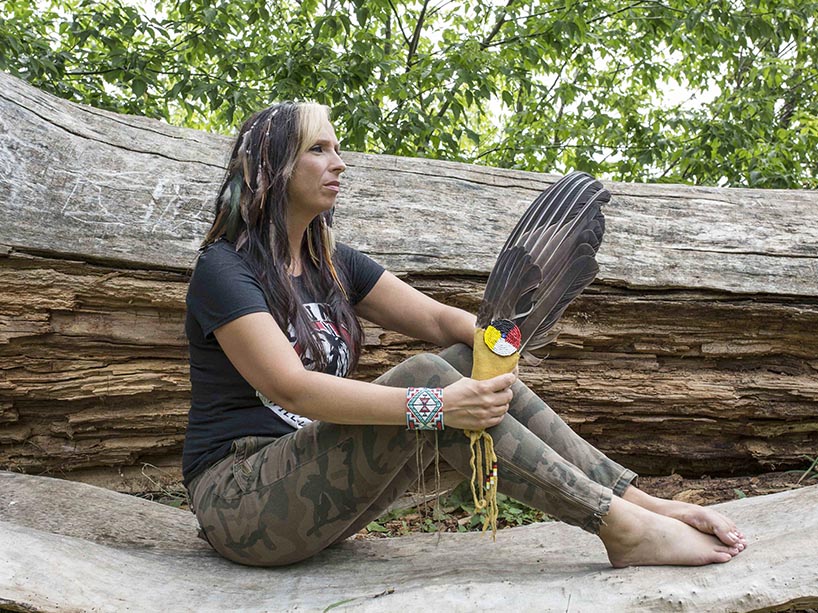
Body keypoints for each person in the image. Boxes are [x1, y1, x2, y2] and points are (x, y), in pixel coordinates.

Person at [182, 101, 747, 568]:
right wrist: (438, 406)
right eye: (318, 149)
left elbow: (438, 321)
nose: (340, 163)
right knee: (432, 381)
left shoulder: (330, 261)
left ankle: (642, 507)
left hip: (309, 493)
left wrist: (496, 346)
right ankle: (621, 528)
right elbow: (292, 389)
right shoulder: (224, 271)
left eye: (336, 147)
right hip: (242, 499)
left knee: (456, 357)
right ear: (271, 167)